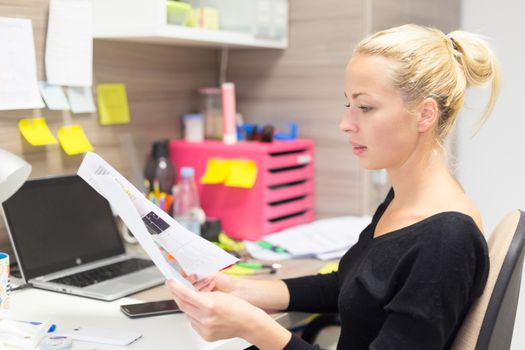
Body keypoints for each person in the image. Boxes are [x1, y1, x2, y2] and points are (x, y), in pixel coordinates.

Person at [167, 24, 500, 350]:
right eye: (347, 105)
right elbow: (353, 284)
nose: (345, 124)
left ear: (425, 115)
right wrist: (243, 290)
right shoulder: (407, 199)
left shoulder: (445, 239)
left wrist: (254, 327)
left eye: (365, 107)